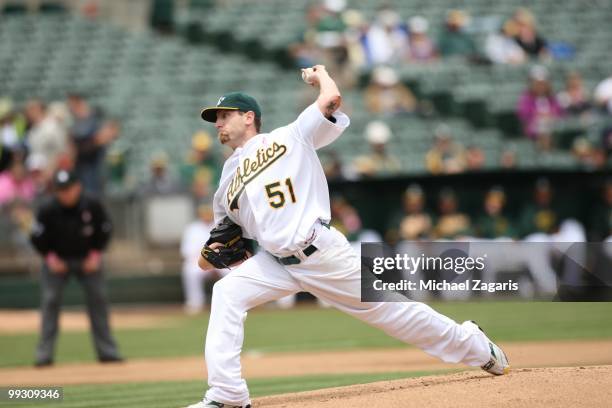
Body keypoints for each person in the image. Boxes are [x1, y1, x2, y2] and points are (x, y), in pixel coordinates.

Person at [185, 65, 508, 408]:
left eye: (224, 114)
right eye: (215, 118)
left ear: (249, 117)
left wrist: (321, 75)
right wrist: (210, 255)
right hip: (275, 262)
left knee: (394, 314)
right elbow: (219, 242)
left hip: (321, 253)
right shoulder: (227, 179)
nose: (217, 122)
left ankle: (474, 345)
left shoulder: (288, 136)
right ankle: (228, 396)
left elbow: (331, 99)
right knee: (226, 293)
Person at [29, 169, 123, 367]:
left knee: (98, 300)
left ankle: (108, 351)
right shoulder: (47, 208)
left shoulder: (92, 204)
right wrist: (50, 258)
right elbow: (36, 237)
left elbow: (106, 229)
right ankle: (44, 354)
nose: (66, 193)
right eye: (61, 190)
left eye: (69, 189)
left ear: (78, 187)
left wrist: (96, 255)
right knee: (50, 301)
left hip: (87, 259)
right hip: (57, 261)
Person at [180, 202, 226, 314]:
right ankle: (195, 303)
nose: (206, 215)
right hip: (199, 261)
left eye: (208, 213)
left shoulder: (220, 225)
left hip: (221, 260)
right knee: (190, 271)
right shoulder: (192, 228)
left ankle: (235, 301)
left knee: (235, 270)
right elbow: (186, 251)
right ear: (200, 214)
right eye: (204, 213)